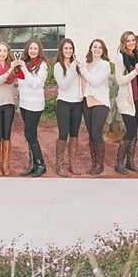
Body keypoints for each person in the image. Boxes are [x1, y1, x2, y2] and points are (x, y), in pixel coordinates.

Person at [15, 39, 49, 177]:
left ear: (39, 50)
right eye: (30, 48)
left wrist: (23, 68)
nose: (32, 51)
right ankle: (32, 164)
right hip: (24, 103)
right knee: (32, 135)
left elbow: (35, 84)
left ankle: (41, 164)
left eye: (35, 48)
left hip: (35, 104)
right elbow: (22, 84)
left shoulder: (42, 66)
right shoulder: (26, 63)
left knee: (28, 134)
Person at [78, 39, 111, 175]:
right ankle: (93, 163)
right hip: (87, 101)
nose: (97, 49)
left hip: (100, 102)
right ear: (90, 48)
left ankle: (100, 164)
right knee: (91, 133)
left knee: (96, 133)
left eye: (100, 47)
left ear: (103, 50)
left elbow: (96, 82)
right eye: (95, 47)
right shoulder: (86, 64)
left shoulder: (105, 65)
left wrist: (83, 71)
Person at [113, 31, 138, 175]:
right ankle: (118, 163)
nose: (131, 43)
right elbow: (120, 80)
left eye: (133, 40)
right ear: (123, 42)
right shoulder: (120, 57)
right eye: (128, 41)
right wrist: (135, 71)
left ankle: (129, 161)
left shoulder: (136, 57)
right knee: (131, 130)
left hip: (136, 99)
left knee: (135, 131)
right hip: (125, 99)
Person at [53, 38, 84, 177]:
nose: (68, 51)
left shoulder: (76, 66)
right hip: (64, 103)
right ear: (61, 50)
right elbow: (63, 85)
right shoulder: (58, 67)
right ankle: (60, 165)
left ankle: (72, 164)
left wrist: (80, 68)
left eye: (70, 48)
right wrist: (71, 69)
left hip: (77, 103)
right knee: (63, 134)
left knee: (75, 134)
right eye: (66, 48)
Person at [0, 41, 18, 176]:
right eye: (0, 50)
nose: (2, 53)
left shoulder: (12, 68)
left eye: (5, 51)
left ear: (8, 53)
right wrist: (10, 69)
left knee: (7, 134)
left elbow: (15, 84)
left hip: (9, 103)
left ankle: (5, 164)